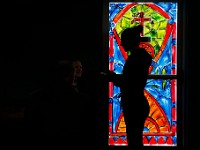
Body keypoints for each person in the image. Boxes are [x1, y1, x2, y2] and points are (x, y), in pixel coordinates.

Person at [101, 25, 152, 149]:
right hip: (137, 103)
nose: (122, 45)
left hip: (134, 104)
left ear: (130, 41)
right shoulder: (139, 58)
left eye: (123, 41)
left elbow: (130, 82)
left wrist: (112, 77)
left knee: (134, 142)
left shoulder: (135, 59)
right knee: (135, 140)